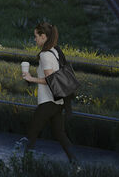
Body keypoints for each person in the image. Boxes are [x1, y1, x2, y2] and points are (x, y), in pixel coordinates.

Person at [21, 21, 80, 168]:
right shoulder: (55, 51)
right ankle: (76, 164)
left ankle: (23, 165)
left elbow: (50, 80)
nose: (35, 39)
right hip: (58, 102)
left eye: (36, 36)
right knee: (60, 134)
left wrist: (30, 78)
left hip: (48, 101)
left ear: (43, 36)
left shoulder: (45, 55)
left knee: (32, 132)